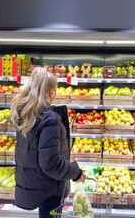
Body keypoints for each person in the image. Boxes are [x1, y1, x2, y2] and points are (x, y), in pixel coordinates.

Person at [10, 67, 86, 218]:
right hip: (49, 189)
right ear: (51, 91)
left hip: (33, 183)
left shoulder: (24, 113)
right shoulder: (50, 119)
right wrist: (75, 172)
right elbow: (51, 164)